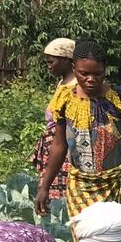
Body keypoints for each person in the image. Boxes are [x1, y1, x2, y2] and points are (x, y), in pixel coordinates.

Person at [35, 39, 121, 219]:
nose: (91, 79)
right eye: (84, 74)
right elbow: (60, 146)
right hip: (81, 188)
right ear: (74, 69)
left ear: (105, 70)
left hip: (119, 185)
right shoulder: (65, 98)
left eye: (97, 74)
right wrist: (45, 186)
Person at [30, 37, 76, 200]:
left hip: (65, 148)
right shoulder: (63, 83)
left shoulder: (76, 86)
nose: (49, 66)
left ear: (65, 60)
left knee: (63, 197)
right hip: (56, 145)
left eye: (51, 62)